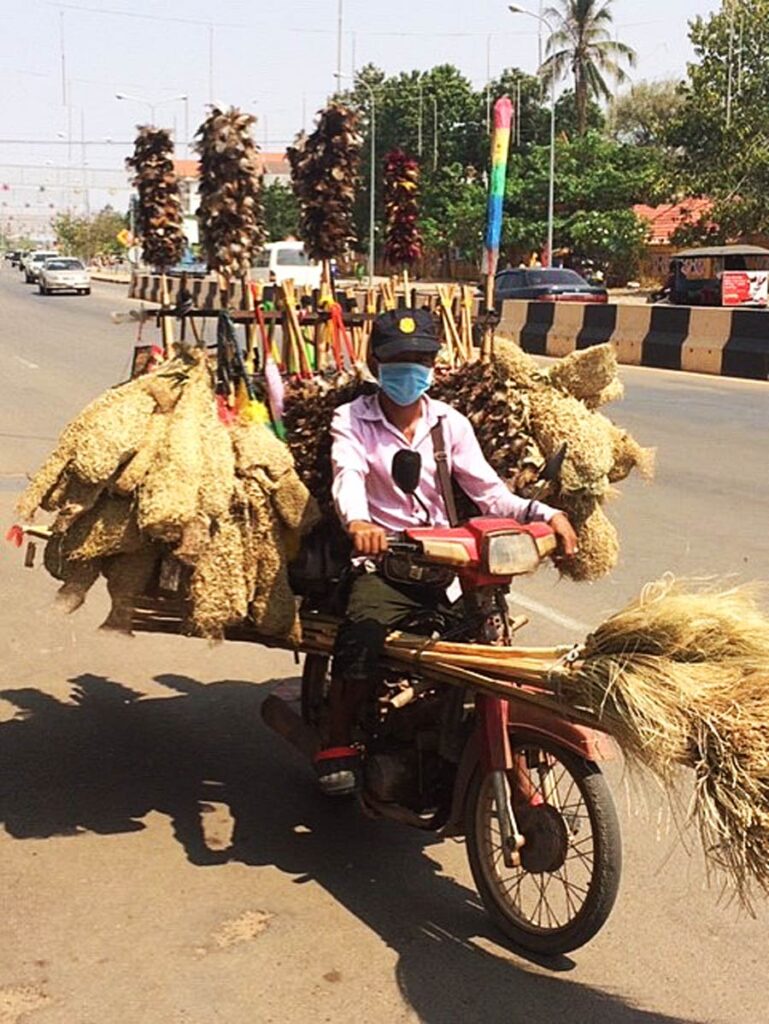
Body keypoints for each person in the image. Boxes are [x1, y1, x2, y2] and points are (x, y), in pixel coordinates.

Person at [315, 308, 578, 795]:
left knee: (491, 648)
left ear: (433, 365)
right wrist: (359, 522)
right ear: (376, 363)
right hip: (384, 564)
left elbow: (491, 494)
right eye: (398, 360)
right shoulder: (351, 419)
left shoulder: (449, 423)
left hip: (445, 567)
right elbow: (347, 475)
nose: (409, 370)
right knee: (362, 636)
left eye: (420, 359)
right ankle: (337, 740)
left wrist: (545, 514)